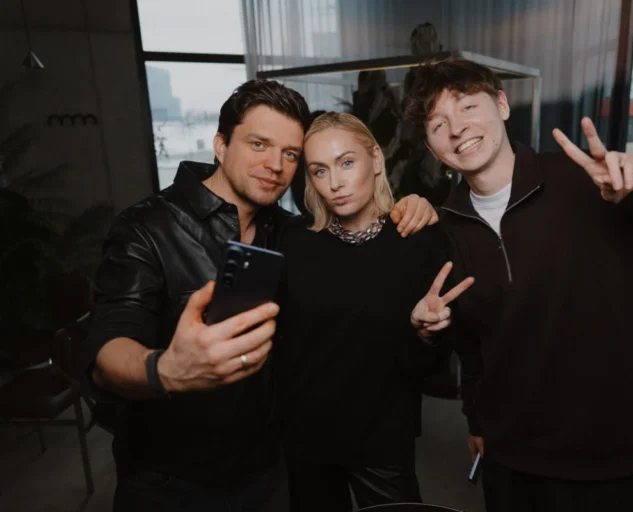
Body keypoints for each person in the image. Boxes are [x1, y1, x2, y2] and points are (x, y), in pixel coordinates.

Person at [405, 59, 633, 512]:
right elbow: (474, 344)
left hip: (604, 457)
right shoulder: (449, 229)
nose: (458, 128)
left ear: (501, 104)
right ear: (431, 147)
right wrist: (473, 414)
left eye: (468, 106)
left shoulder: (593, 186)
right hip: (509, 458)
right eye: (438, 124)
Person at [81, 80, 438, 512]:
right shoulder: (147, 228)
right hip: (172, 478)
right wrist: (166, 370)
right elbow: (109, 347)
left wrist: (411, 206)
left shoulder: (287, 231)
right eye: (258, 144)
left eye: (289, 154)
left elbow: (356, 268)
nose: (274, 165)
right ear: (221, 145)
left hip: (267, 468)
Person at [274, 112, 474, 512]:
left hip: (383, 438)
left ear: (376, 159)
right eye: (320, 170)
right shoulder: (290, 241)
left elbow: (427, 368)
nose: (335, 183)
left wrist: (425, 333)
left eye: (347, 162)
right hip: (306, 438)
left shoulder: (420, 241)